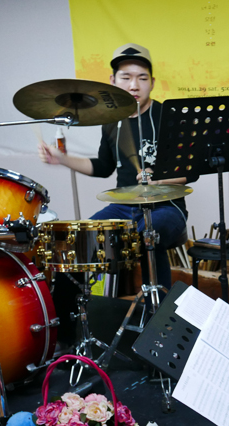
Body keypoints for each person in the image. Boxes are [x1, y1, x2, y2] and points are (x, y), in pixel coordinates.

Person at [39, 43, 197, 289]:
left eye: (142, 78)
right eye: (126, 78)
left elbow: (190, 172)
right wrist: (62, 158)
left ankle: (158, 306)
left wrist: (158, 178)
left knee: (148, 234)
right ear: (112, 81)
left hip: (167, 207)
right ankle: (77, 307)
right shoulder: (111, 122)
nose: (134, 85)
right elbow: (103, 167)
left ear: (152, 83)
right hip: (124, 207)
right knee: (78, 240)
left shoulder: (169, 117)